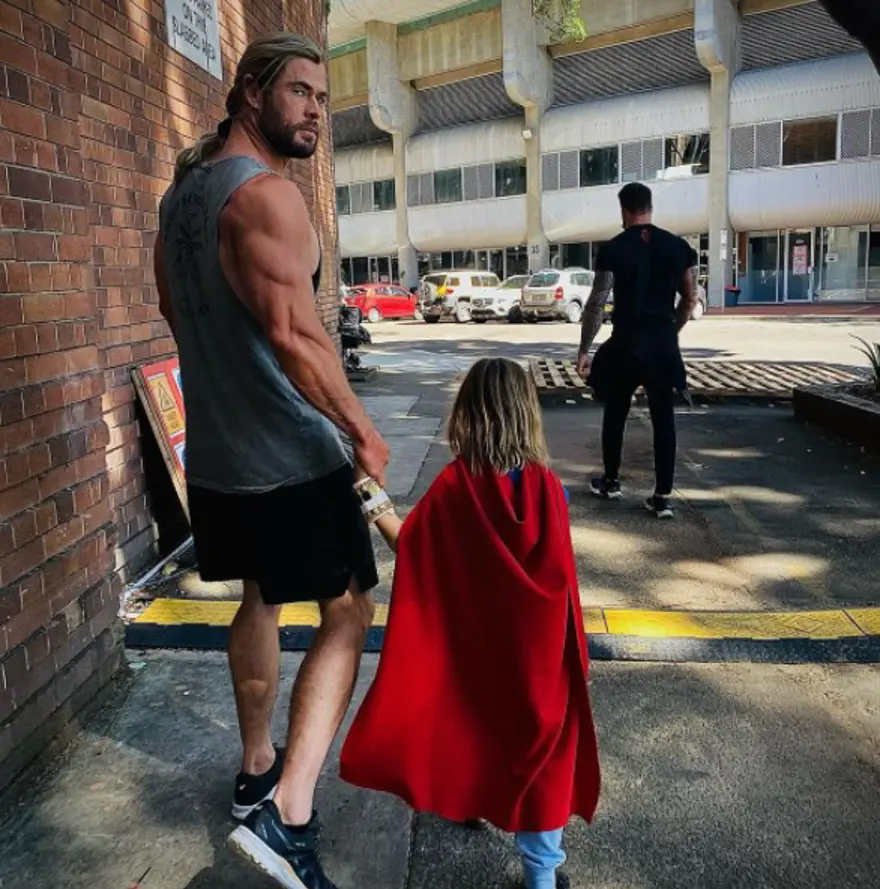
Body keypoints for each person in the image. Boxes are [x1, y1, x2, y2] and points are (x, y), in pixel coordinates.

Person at [154, 33, 390, 889]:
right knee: (348, 610)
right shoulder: (265, 196)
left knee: (259, 595)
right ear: (251, 92)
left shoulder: (179, 200)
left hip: (218, 458)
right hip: (290, 455)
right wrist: (361, 430)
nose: (316, 111)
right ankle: (287, 815)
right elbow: (295, 334)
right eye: (300, 92)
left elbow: (176, 314)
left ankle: (257, 764)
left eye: (323, 98)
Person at [340, 358, 601, 889]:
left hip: (476, 651)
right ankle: (541, 878)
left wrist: (369, 494)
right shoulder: (551, 491)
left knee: (475, 729)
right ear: (528, 414)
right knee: (545, 758)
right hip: (540, 657)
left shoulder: (455, 488)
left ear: (467, 413)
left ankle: (473, 800)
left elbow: (413, 548)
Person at [576, 183, 697, 520]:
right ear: (650, 208)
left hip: (626, 343)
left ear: (623, 211)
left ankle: (611, 481)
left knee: (616, 411)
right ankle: (662, 498)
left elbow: (597, 301)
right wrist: (670, 332)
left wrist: (584, 349)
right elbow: (689, 299)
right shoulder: (678, 248)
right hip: (662, 345)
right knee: (663, 417)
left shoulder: (613, 249)